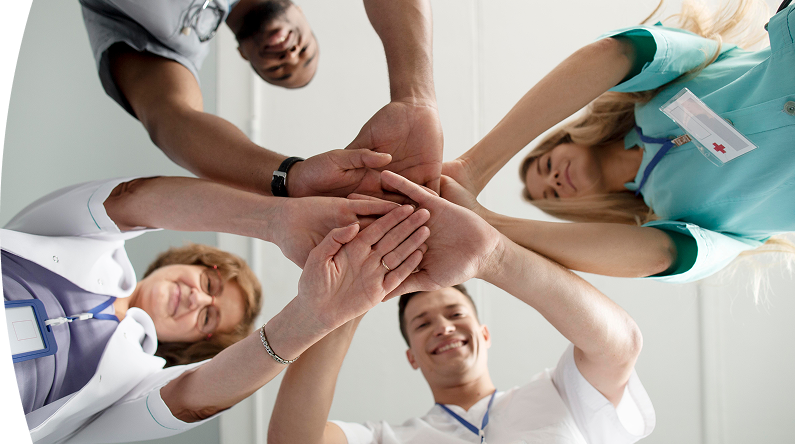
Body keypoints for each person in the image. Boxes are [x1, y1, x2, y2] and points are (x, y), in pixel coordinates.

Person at [5, 174, 430, 443]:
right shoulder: (89, 243)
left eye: (208, 317)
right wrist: (275, 218)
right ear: (184, 261)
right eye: (208, 283)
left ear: (190, 345)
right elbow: (132, 199)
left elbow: (194, 401)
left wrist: (309, 319)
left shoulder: (133, 381)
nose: (197, 299)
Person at [267, 171, 656, 444]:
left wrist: (495, 257)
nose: (444, 327)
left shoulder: (560, 395)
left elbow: (619, 345)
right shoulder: (387, 438)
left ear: (485, 335)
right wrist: (350, 301)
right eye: (422, 324)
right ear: (412, 357)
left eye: (456, 315)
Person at [441, 0, 795, 284]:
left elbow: (619, 51)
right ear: (575, 209)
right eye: (552, 195)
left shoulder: (653, 94)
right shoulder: (674, 216)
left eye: (546, 166)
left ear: (565, 140)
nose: (554, 180)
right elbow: (659, 257)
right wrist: (486, 224)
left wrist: (474, 167)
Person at [79, 0, 443, 198]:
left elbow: (172, 119)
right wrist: (415, 97)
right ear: (299, 11)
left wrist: (293, 176)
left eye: (281, 70)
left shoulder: (174, 44)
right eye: (306, 50)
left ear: (244, 56)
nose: (291, 56)